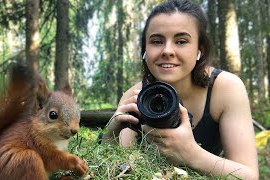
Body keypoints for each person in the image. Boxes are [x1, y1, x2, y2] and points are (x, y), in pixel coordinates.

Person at [102, 0, 259, 179]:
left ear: (200, 49)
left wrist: (190, 153)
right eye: (157, 41)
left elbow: (250, 175)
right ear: (145, 50)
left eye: (181, 41)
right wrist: (110, 134)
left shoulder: (225, 88)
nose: (167, 50)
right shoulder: (135, 96)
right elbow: (118, 166)